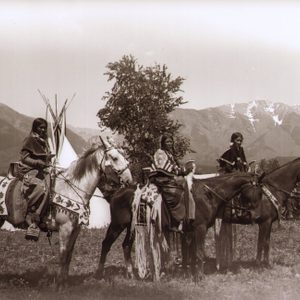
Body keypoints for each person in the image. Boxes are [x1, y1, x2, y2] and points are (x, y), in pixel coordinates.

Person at [19, 118, 53, 239]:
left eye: (45, 127)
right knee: (43, 188)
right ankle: (33, 217)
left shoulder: (44, 141)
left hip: (43, 170)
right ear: (35, 127)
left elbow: (44, 157)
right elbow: (24, 158)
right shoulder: (30, 140)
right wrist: (37, 162)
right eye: (41, 127)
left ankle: (46, 216)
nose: (43, 130)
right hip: (29, 170)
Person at [149, 134, 191, 232]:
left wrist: (183, 171)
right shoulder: (160, 153)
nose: (169, 143)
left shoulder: (169, 153)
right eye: (167, 141)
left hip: (167, 178)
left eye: (171, 141)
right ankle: (172, 221)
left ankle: (181, 218)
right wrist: (179, 172)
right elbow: (161, 168)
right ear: (163, 143)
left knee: (184, 187)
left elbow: (173, 167)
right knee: (174, 194)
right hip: (160, 178)